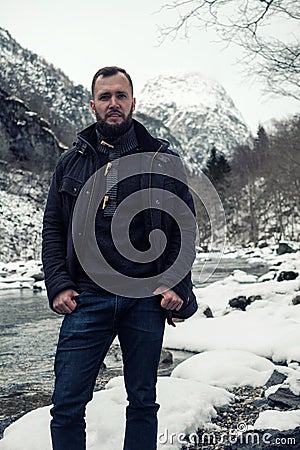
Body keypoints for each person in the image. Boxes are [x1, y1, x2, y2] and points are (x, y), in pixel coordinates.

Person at [42, 66, 197, 450]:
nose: (114, 103)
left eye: (120, 96)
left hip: (144, 297)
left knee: (143, 401)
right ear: (92, 104)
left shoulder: (163, 160)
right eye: (106, 96)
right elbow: (52, 229)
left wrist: (177, 284)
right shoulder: (69, 163)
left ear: (133, 102)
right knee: (66, 405)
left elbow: (183, 231)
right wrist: (58, 284)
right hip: (86, 297)